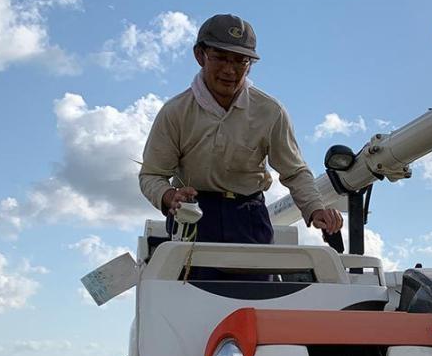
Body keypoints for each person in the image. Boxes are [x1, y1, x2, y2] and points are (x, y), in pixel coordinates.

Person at [139, 13, 343, 245]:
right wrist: (169, 196)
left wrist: (316, 210)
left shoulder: (271, 111)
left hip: (250, 218)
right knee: (191, 283)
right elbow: (152, 174)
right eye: (220, 58)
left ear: (250, 65)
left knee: (256, 283)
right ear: (200, 55)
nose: (230, 70)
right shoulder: (175, 112)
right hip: (192, 218)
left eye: (240, 61)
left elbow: (294, 172)